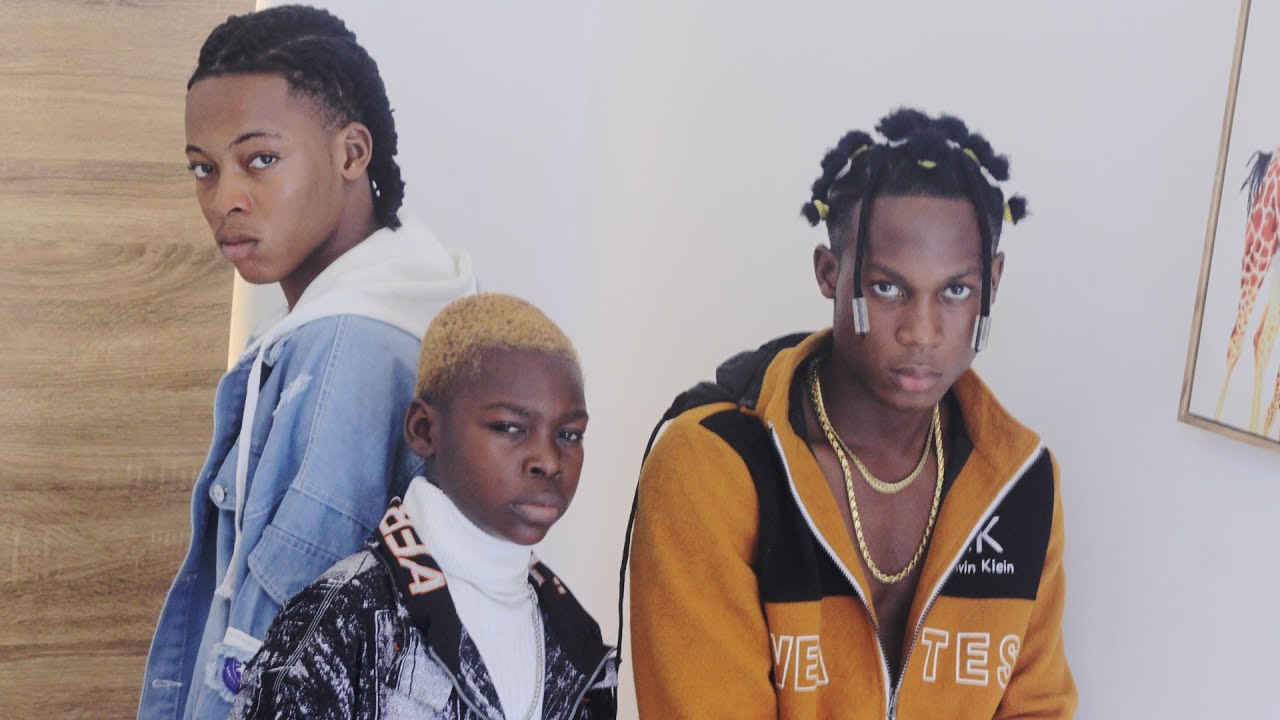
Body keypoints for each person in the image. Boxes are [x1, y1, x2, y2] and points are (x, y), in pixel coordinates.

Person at [626, 108, 1076, 718]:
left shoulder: (1020, 481)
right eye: (888, 288)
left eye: (956, 290)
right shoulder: (714, 465)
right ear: (828, 272)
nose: (922, 332)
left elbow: (1038, 708)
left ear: (992, 283)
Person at [138, 6, 476, 719]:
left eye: (260, 159)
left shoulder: (344, 352)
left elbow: (276, 658)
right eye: (204, 168)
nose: (224, 199)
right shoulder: (403, 306)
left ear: (352, 153)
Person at [230, 293, 617, 720]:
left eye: (569, 434)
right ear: (424, 430)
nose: (548, 460)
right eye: (510, 427)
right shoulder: (344, 618)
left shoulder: (579, 641)